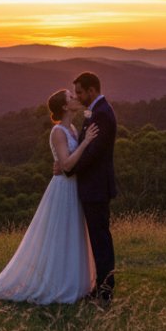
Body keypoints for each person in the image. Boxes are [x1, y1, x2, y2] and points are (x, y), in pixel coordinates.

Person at [0, 89, 99, 304]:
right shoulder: (58, 132)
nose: (75, 98)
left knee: (71, 235)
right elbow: (65, 164)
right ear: (65, 107)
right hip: (63, 189)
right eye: (71, 97)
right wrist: (86, 143)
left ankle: (70, 281)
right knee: (58, 236)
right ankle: (55, 284)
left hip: (73, 188)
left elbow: (69, 163)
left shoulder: (72, 128)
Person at [59, 71, 117, 302]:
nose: (77, 96)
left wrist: (68, 169)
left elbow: (93, 153)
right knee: (97, 238)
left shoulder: (102, 114)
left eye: (80, 92)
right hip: (92, 186)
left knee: (100, 239)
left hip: (96, 187)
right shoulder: (96, 111)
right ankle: (101, 286)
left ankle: (105, 291)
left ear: (91, 90)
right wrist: (64, 163)